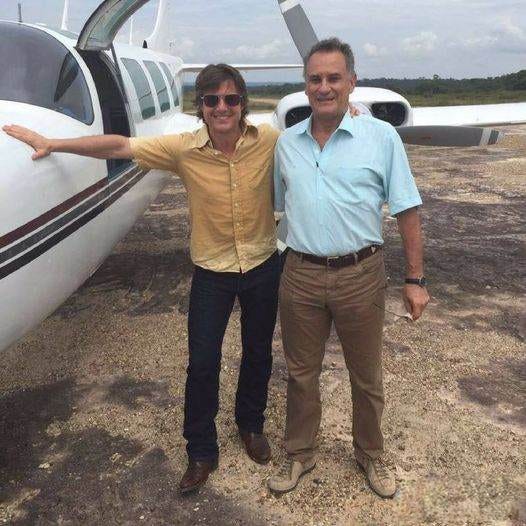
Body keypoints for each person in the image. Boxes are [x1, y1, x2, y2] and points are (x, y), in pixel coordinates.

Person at [3, 64, 281, 494]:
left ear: (243, 104)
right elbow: (120, 145)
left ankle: (250, 425)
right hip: (212, 272)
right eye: (212, 100)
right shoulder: (183, 149)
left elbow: (313, 135)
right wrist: (53, 142)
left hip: (262, 265)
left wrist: (351, 113)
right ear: (201, 106)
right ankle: (201, 450)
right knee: (202, 363)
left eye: (231, 99)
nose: (222, 108)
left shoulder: (269, 140)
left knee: (258, 352)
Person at [268, 38, 430, 498]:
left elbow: (407, 209)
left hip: (361, 274)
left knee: (366, 375)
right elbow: (279, 207)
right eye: (315, 79)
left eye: (334, 78)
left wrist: (415, 279)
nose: (324, 87)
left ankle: (371, 454)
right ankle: (300, 453)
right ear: (305, 85)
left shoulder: (381, 137)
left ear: (352, 82)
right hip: (300, 273)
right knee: (301, 373)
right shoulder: (287, 144)